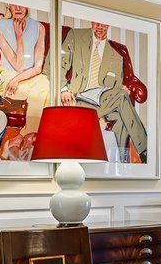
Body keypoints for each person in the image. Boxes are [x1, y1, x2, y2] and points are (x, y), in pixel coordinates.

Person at [59, 21, 147, 162]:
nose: (100, 26)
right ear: (92, 22)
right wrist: (63, 90)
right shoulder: (76, 36)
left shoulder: (117, 53)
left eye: (104, 23)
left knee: (120, 116)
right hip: (77, 100)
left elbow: (117, 82)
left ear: (109, 25)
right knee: (121, 99)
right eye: (96, 22)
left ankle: (121, 163)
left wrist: (120, 89)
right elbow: (57, 63)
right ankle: (144, 150)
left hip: (102, 100)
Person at [0, 4, 50, 134]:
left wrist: (17, 79)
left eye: (22, 4)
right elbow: (18, 66)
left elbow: (38, 67)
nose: (18, 8)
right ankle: (30, 136)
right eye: (14, 4)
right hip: (7, 74)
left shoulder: (39, 27)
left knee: (45, 84)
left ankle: (30, 135)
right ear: (8, 6)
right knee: (35, 92)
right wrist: (19, 36)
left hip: (28, 75)